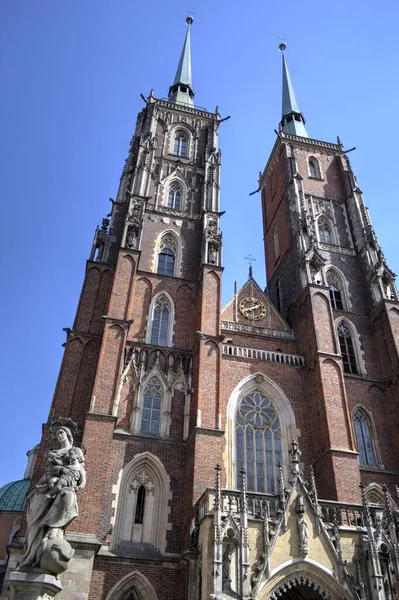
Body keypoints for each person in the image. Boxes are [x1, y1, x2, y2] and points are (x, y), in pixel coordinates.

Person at [20, 426, 86, 569]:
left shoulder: (75, 451)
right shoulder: (52, 453)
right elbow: (50, 469)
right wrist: (62, 470)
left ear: (68, 435)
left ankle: (54, 530)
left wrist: (77, 482)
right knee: (34, 524)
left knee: (66, 497)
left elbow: (80, 471)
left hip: (64, 486)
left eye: (62, 433)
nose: (59, 436)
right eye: (57, 434)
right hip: (45, 486)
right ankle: (30, 556)